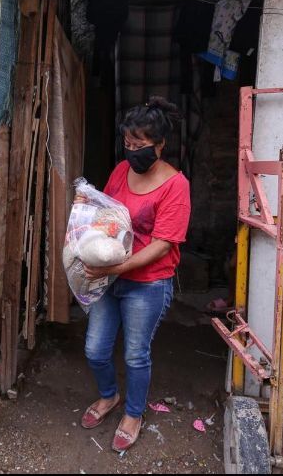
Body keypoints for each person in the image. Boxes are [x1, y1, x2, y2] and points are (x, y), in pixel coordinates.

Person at [79, 96, 191, 452]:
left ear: (160, 145)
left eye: (140, 146)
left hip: (148, 283)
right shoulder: (119, 172)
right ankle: (109, 396)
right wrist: (86, 214)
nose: (131, 151)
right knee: (95, 349)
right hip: (110, 277)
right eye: (127, 144)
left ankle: (133, 413)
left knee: (135, 354)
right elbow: (107, 214)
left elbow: (162, 244)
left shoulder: (176, 185)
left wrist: (114, 267)